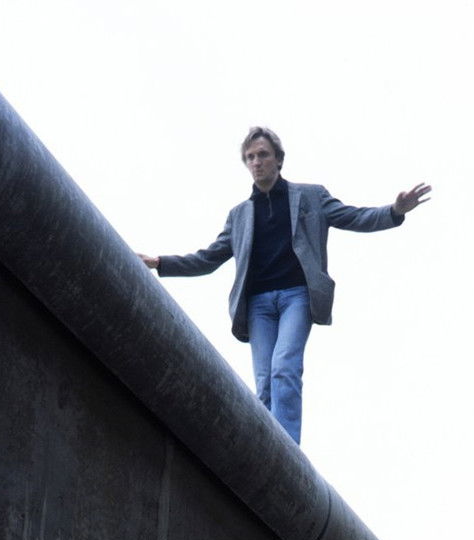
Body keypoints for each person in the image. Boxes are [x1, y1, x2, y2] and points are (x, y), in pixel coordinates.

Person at [138, 127, 430, 444]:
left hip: (296, 298)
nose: (257, 162)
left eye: (263, 154)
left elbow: (353, 217)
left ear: (278, 159)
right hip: (258, 305)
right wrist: (161, 263)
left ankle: (287, 449)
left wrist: (394, 211)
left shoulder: (310, 196)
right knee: (264, 384)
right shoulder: (239, 215)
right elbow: (208, 258)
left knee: (284, 368)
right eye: (250, 157)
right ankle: (263, 453)